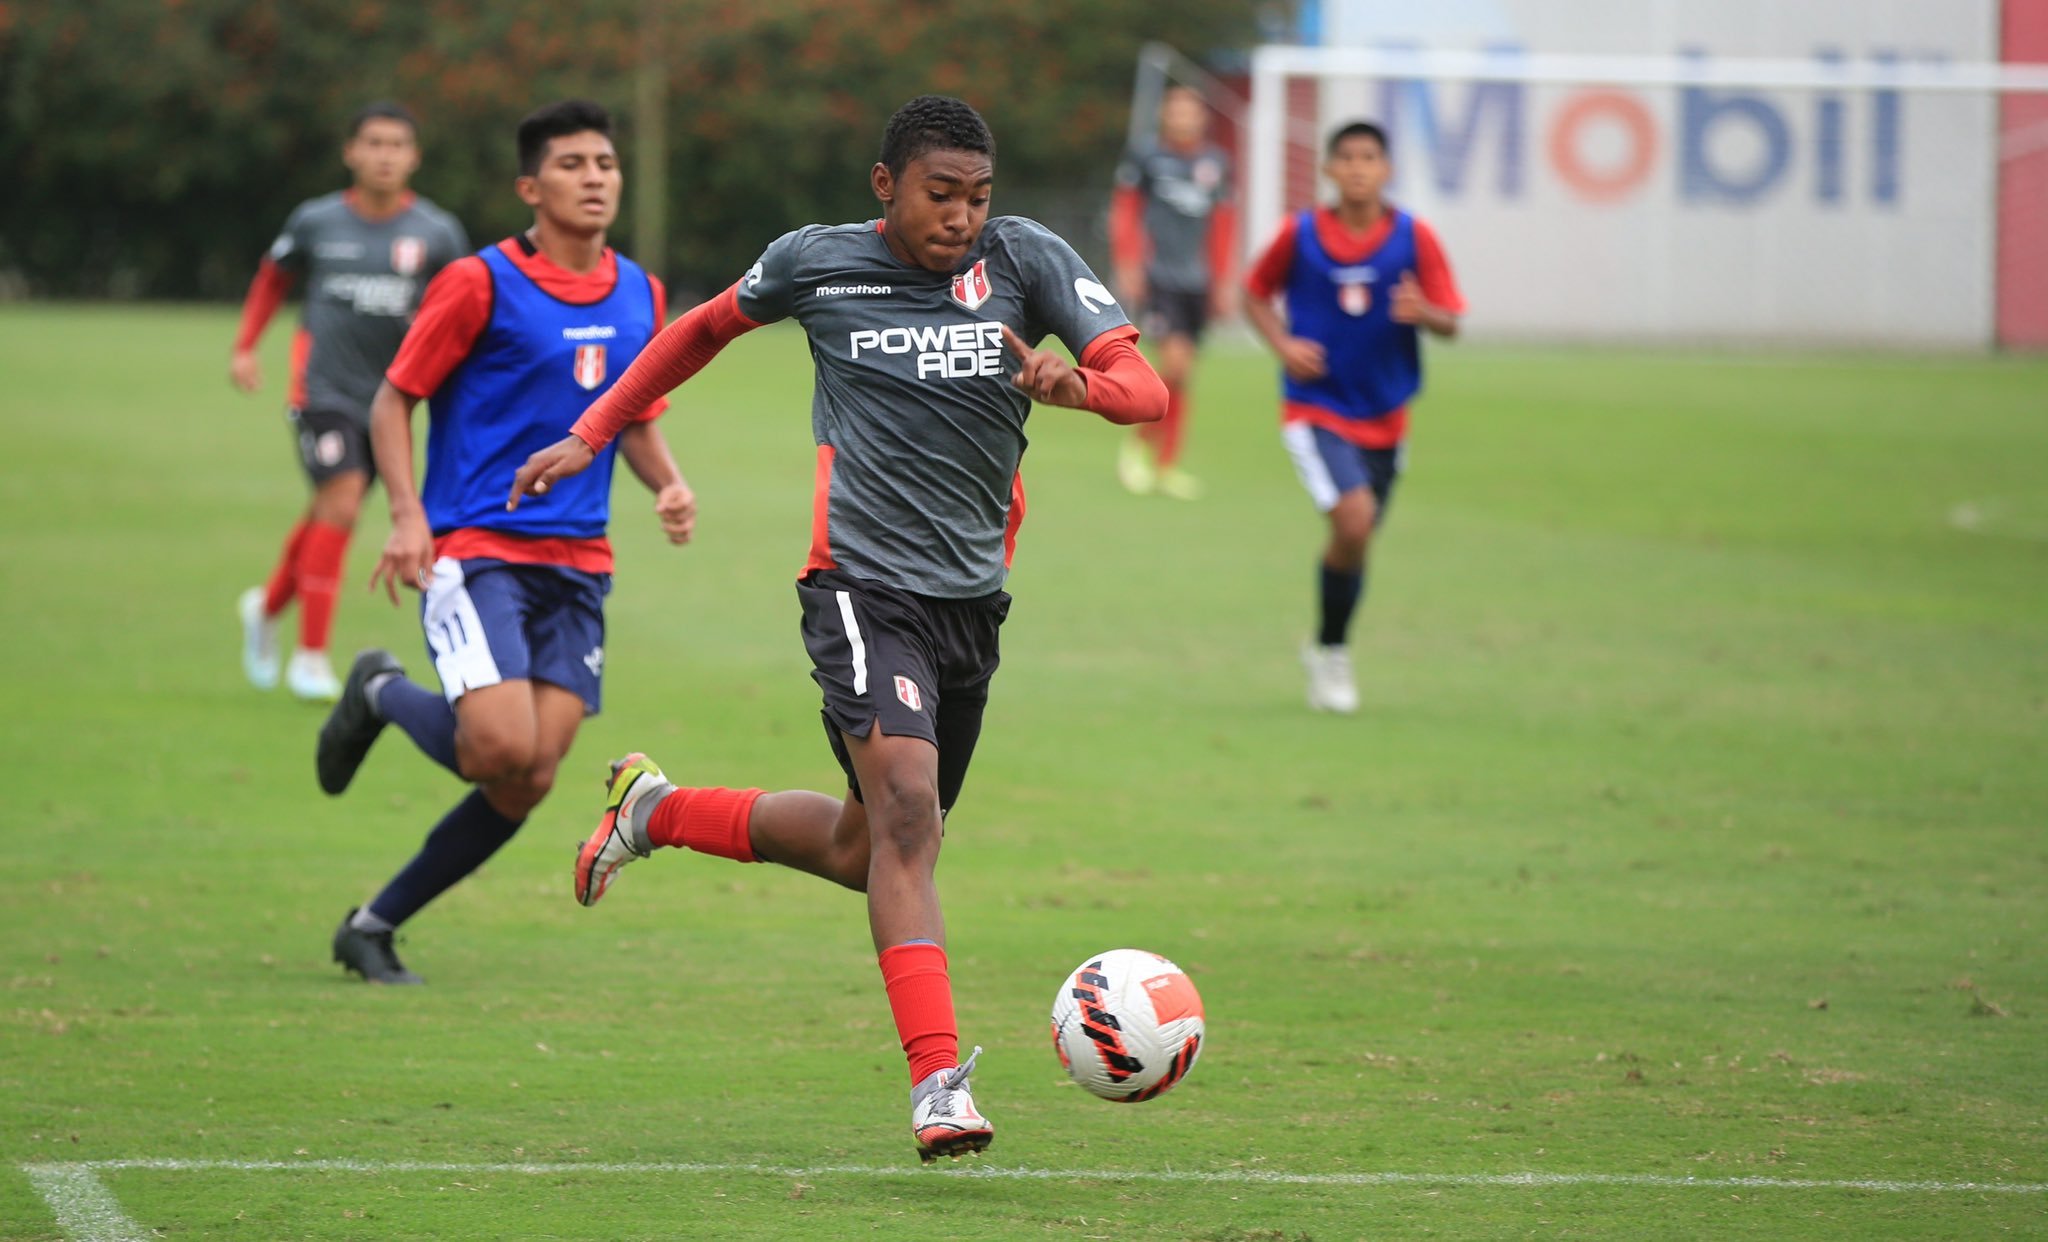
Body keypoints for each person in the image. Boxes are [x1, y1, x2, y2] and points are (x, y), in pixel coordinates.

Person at [507, 96, 1166, 1162]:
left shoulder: (1025, 259)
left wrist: (1075, 384)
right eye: (937, 194)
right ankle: (936, 1084)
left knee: (874, 851)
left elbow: (1147, 392)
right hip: (858, 586)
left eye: (975, 197)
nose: (959, 217)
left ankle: (659, 811)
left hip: (970, 601)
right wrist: (592, 434)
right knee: (907, 814)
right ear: (884, 185)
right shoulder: (816, 264)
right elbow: (697, 331)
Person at [315, 99, 697, 985]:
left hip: (581, 562)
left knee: (526, 777)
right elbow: (392, 399)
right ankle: (378, 690)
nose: (595, 177)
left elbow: (629, 416)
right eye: (572, 165)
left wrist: (668, 482)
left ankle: (372, 925)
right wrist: (410, 517)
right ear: (530, 187)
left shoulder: (641, 290)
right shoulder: (477, 282)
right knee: (495, 746)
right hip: (479, 543)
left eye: (605, 162)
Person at [232, 102, 469, 701]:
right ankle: (311, 657)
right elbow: (272, 278)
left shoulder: (437, 233)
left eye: (396, 145)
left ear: (413, 157)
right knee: (339, 503)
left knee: (325, 512)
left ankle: (266, 608)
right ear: (351, 152)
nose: (384, 155)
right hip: (322, 391)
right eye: (373, 143)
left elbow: (464, 308)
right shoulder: (316, 222)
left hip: (394, 399)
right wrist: (245, 348)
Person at [1243, 121, 1465, 714]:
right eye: (1347, 157)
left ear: (1386, 168)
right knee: (1355, 521)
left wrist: (1425, 313)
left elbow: (1451, 320)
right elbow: (1254, 292)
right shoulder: (1301, 234)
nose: (1359, 167)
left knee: (1357, 540)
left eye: (1370, 157)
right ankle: (1334, 654)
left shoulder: (1415, 238)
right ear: (1329, 169)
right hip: (1316, 408)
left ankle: (1325, 645)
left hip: (1387, 415)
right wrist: (1283, 345)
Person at [1109, 83, 1237, 500]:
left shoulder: (1215, 162)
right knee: (1174, 366)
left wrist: (1220, 280)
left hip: (1196, 282)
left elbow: (1222, 225)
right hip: (1159, 277)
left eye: (1190, 110)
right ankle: (1137, 447)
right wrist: (1128, 263)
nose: (1182, 117)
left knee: (1184, 377)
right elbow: (1125, 210)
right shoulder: (1147, 157)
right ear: (1165, 115)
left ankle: (1166, 466)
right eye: (1175, 109)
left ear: (1202, 118)